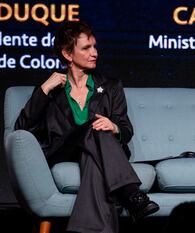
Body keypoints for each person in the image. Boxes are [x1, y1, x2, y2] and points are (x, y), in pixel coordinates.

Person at [14, 21, 159, 233]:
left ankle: (87, 228)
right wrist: (44, 88)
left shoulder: (111, 87)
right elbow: (21, 128)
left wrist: (114, 127)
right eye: (86, 48)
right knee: (93, 126)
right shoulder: (51, 90)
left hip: (98, 153)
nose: (94, 53)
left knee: (96, 139)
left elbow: (125, 129)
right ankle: (131, 193)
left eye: (95, 46)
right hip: (64, 152)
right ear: (67, 54)